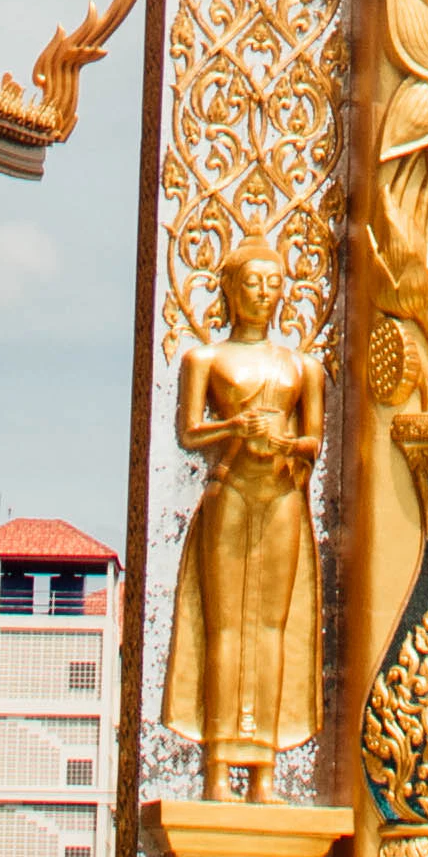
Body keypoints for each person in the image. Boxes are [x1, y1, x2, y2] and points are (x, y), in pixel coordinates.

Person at [166, 250, 328, 793]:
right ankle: (216, 765)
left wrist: (286, 442)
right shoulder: (206, 360)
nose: (263, 292)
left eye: (273, 282)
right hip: (230, 489)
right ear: (229, 289)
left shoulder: (302, 367)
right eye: (252, 282)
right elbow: (189, 432)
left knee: (271, 628)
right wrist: (233, 424)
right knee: (225, 626)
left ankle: (263, 771)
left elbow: (313, 442)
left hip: (281, 492)